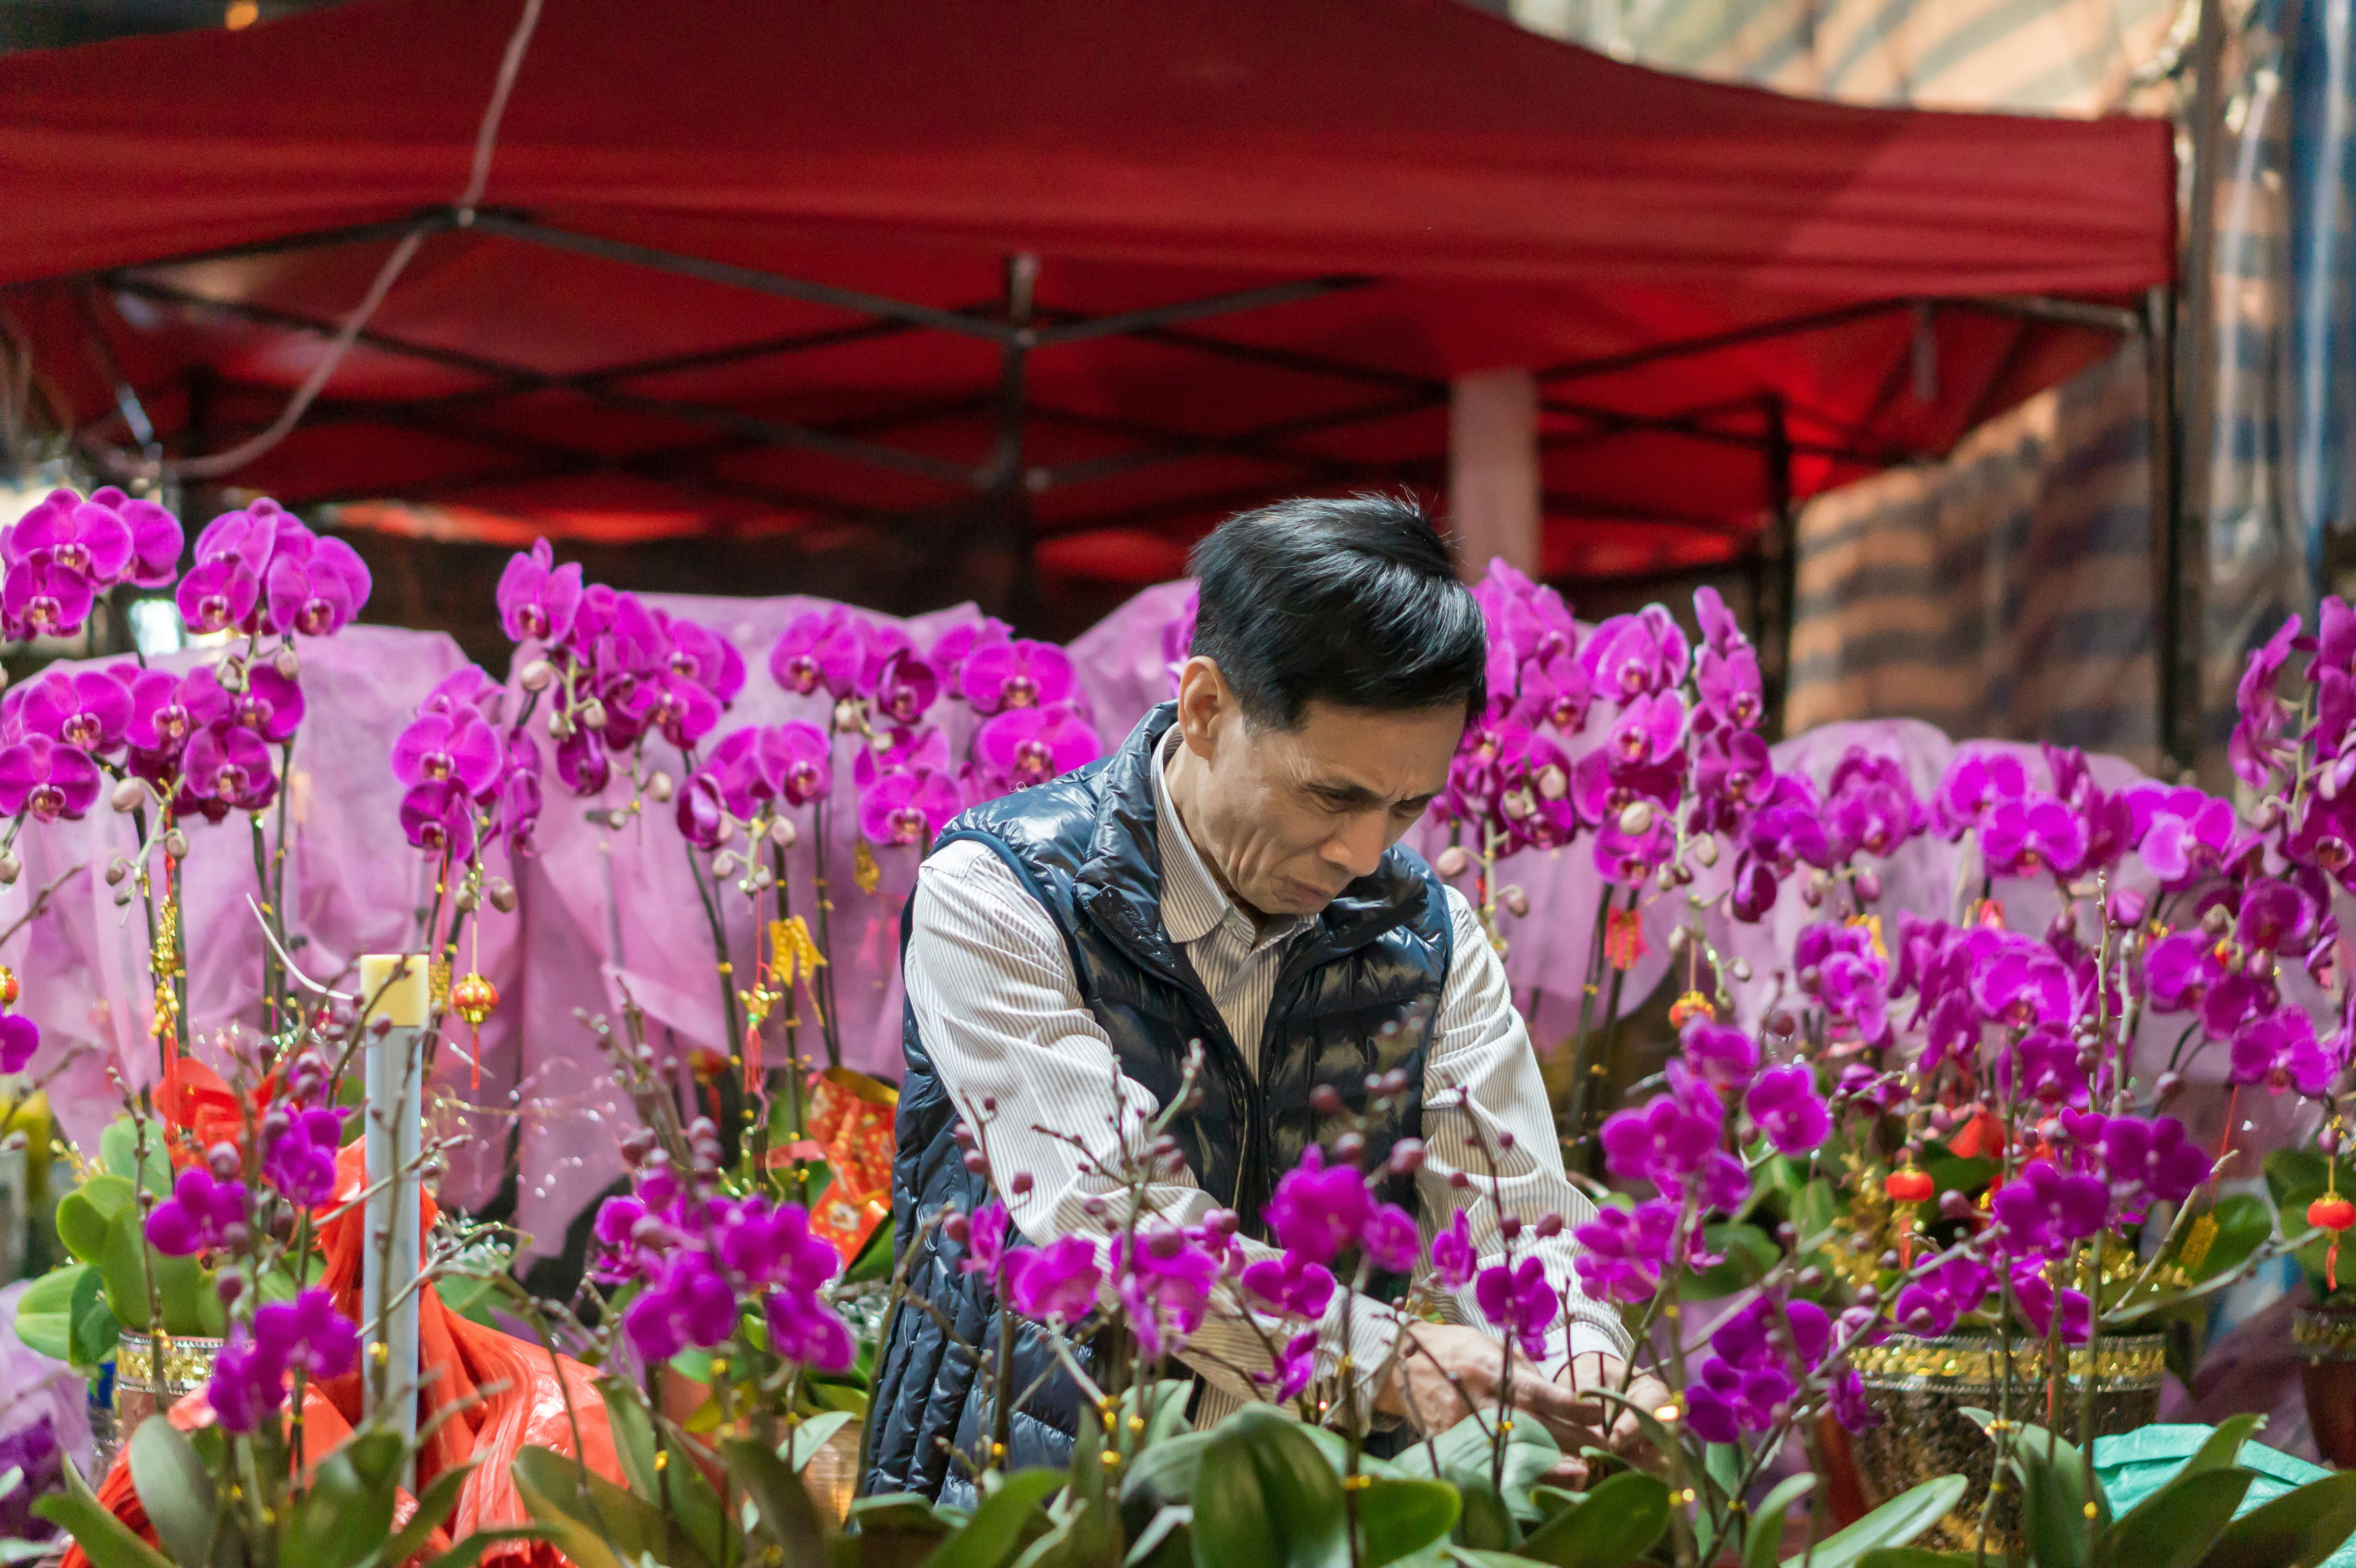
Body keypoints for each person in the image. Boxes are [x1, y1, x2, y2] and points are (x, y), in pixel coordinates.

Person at [864, 494, 1655, 1504]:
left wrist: (1575, 1362)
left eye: (1406, 804)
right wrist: (1388, 1354)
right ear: (1205, 709)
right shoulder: (1000, 891)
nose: (1363, 852)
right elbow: (1100, 1212)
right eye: (1331, 795)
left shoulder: (1431, 935)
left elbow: (1521, 1217)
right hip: (1036, 1501)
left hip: (1321, 1513)